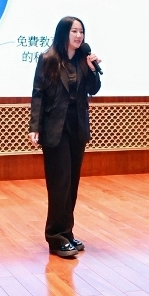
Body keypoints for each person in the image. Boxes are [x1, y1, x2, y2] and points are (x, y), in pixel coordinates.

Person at [28, 16, 102, 259]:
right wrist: (34, 126)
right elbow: (38, 93)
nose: (79, 36)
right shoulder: (48, 59)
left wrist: (93, 70)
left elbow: (93, 89)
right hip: (54, 128)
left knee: (71, 183)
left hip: (76, 127)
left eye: (81, 31)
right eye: (74, 31)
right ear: (63, 33)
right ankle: (55, 236)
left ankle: (67, 232)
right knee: (59, 183)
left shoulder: (83, 59)